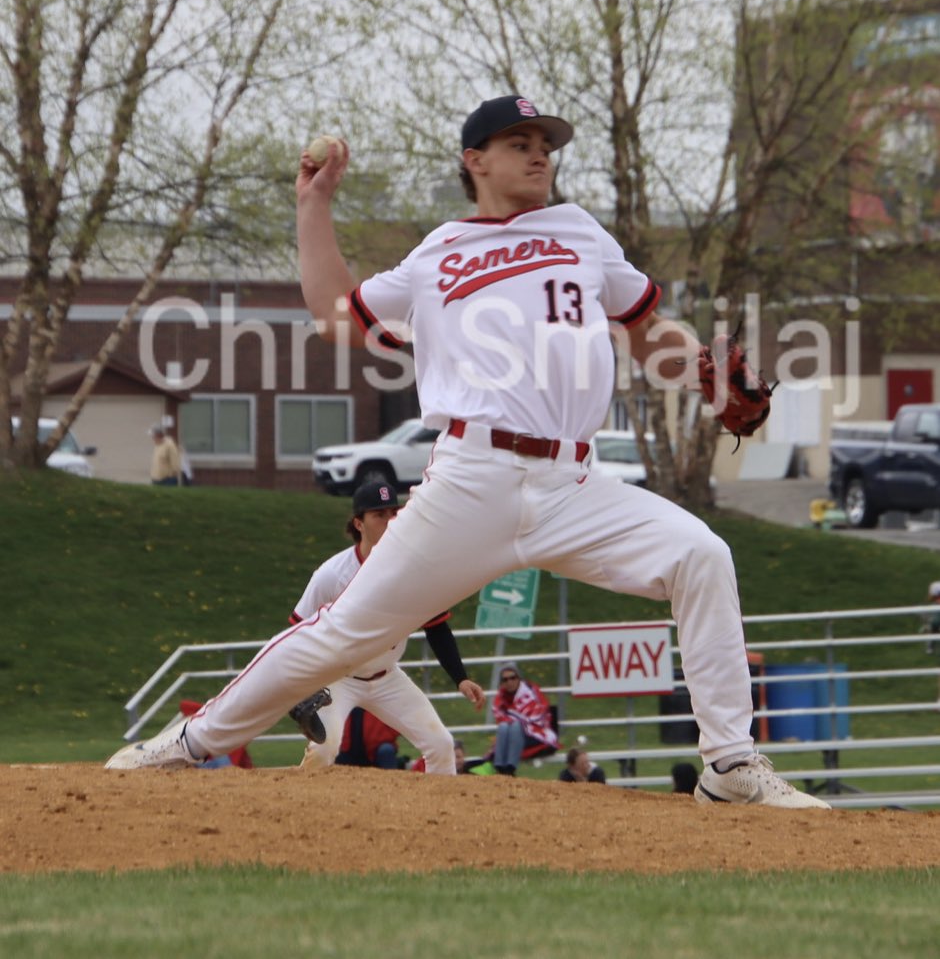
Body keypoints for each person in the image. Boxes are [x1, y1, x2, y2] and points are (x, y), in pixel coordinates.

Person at [105, 94, 829, 810]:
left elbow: (645, 330)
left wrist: (701, 365)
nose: (540, 152)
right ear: (474, 160)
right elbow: (335, 316)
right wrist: (312, 206)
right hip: (470, 479)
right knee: (342, 636)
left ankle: (729, 764)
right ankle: (189, 743)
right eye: (519, 142)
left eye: (545, 142)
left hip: (573, 484)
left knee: (701, 555)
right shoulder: (437, 255)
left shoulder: (578, 230)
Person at [287, 479, 486, 775]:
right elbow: (296, 631)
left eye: (394, 513)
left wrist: (460, 678)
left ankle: (439, 817)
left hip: (388, 679)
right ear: (359, 523)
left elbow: (436, 626)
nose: (390, 521)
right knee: (323, 748)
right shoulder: (331, 575)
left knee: (441, 745)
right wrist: (300, 685)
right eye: (379, 515)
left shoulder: (414, 571)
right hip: (339, 678)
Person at [490, 662, 558, 776]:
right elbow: (500, 718)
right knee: (504, 727)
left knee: (516, 726)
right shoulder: (500, 697)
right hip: (510, 733)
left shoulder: (531, 691)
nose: (509, 682)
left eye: (513, 678)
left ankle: (510, 768)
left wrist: (522, 722)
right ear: (502, 682)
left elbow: (541, 712)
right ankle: (500, 767)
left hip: (536, 732)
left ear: (519, 678)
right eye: (505, 679)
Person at [334, 707, 401, 770]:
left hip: (375, 750)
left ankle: (391, 780)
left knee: (386, 750)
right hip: (347, 750)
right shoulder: (345, 700)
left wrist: (383, 736)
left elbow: (399, 725)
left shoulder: (381, 702)